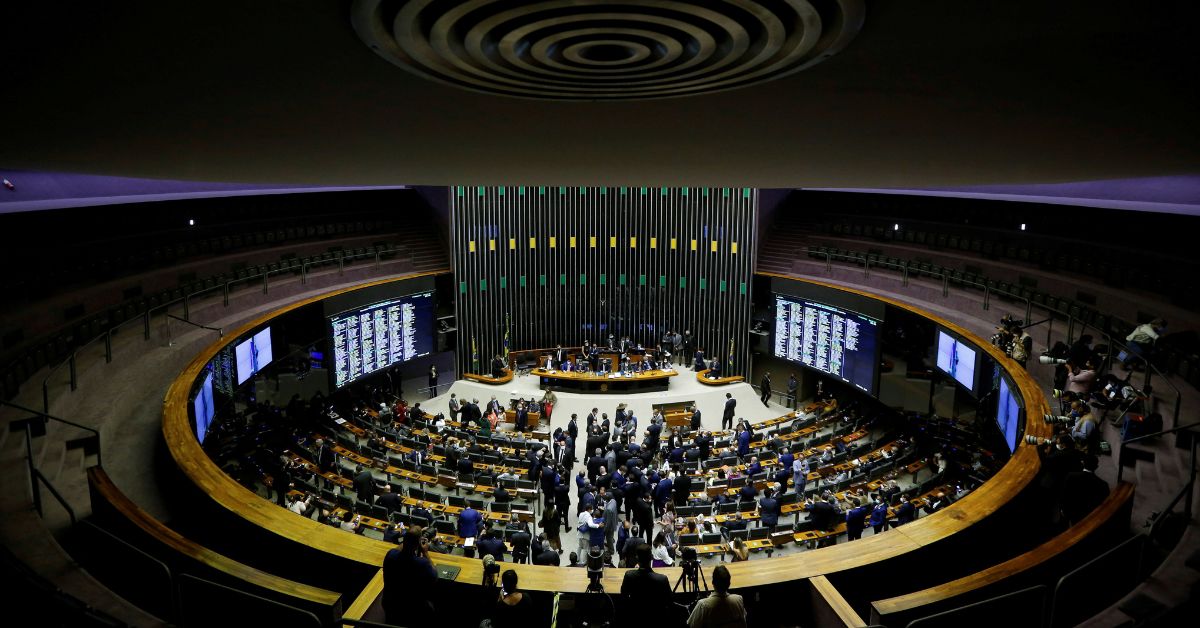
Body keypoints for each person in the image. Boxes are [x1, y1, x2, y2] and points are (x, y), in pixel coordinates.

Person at [382, 531, 437, 626]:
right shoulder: (422, 563)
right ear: (417, 544)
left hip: (389, 602)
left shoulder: (391, 554)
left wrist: (410, 540)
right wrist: (425, 552)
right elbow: (435, 575)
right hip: (412, 609)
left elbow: (398, 549)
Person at [620, 542, 672, 623]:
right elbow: (669, 601)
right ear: (651, 557)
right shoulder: (662, 579)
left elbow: (623, 597)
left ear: (637, 559)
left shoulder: (629, 576)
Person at [1060, 455, 1111, 525]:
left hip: (1074, 514)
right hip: (1093, 517)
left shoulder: (1071, 477)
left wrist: (1064, 510)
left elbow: (1065, 495)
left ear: (1082, 463)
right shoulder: (1103, 485)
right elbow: (1104, 505)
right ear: (1096, 467)